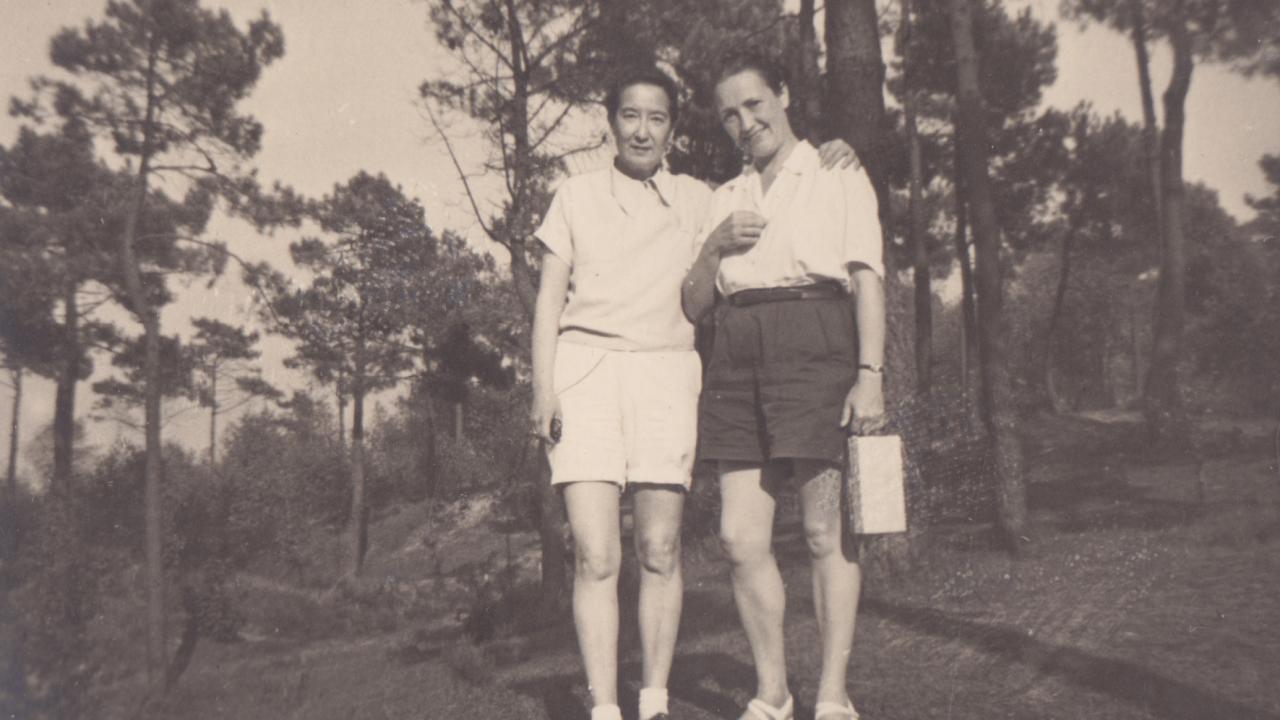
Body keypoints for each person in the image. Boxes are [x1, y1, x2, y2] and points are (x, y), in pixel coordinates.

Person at [530, 67, 858, 720]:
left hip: (666, 375)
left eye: (657, 118)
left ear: (673, 130)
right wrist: (544, 390)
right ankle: (603, 707)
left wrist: (829, 152)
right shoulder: (574, 195)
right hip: (585, 372)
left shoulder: (702, 198)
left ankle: (652, 701)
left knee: (659, 549)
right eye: (630, 115)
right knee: (596, 553)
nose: (642, 130)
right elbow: (546, 305)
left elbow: (780, 191)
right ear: (610, 123)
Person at [681, 51, 887, 720]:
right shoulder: (724, 198)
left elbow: (866, 279)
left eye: (755, 104)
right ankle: (772, 690)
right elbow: (693, 305)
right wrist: (713, 245)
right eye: (730, 115)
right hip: (737, 355)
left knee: (825, 532)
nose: (745, 122)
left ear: (785, 95)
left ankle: (832, 693)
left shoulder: (836, 173)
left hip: (816, 343)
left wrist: (870, 375)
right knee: (741, 539)